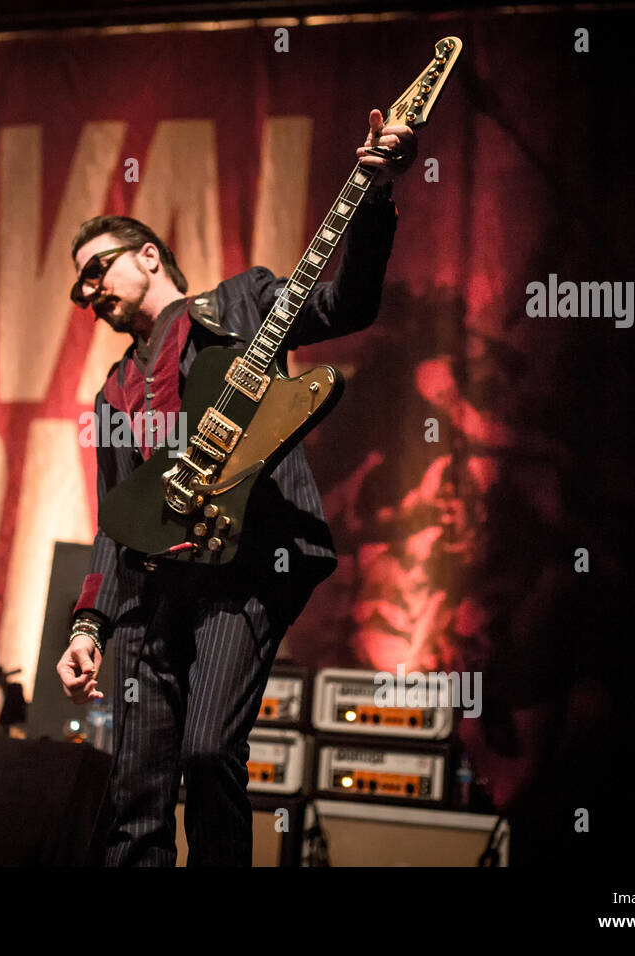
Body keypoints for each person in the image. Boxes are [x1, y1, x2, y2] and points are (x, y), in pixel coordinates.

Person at [56, 109, 417, 865]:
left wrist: (376, 194)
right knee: (133, 795)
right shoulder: (114, 390)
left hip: (241, 574)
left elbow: (343, 304)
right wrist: (89, 624)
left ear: (149, 255)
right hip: (150, 599)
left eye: (98, 269)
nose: (87, 293)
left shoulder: (241, 306)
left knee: (207, 753)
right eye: (78, 285)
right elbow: (113, 518)